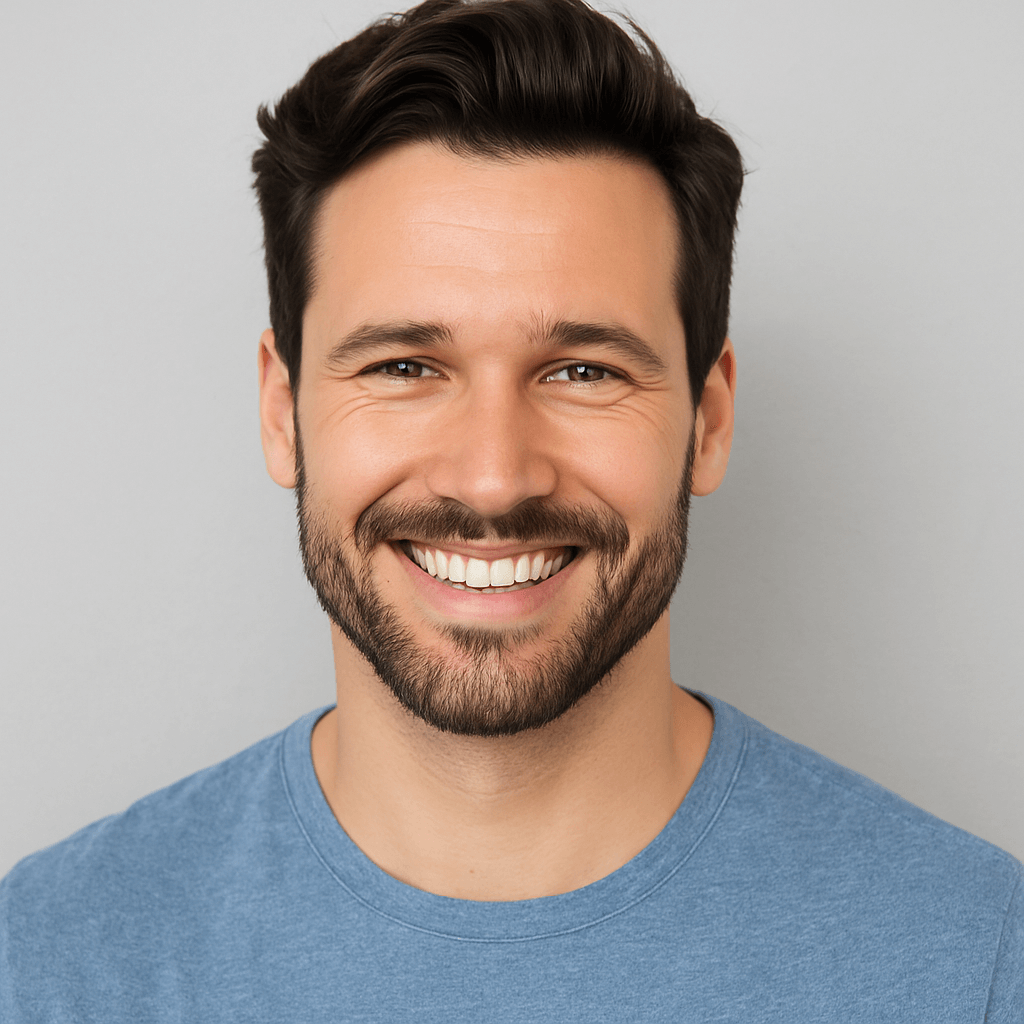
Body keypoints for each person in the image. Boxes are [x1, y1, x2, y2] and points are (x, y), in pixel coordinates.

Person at [1, 0, 1020, 1018]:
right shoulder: (44, 965)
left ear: (708, 421)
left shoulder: (978, 959)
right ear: (283, 411)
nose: (493, 479)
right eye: (404, 365)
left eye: (581, 370)